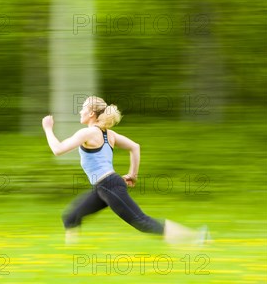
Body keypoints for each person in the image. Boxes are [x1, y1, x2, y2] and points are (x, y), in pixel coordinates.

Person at [42, 96, 208, 244]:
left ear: (92, 113)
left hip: (108, 185)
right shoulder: (109, 134)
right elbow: (134, 147)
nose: (80, 111)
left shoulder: (88, 133)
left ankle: (195, 237)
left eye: (83, 108)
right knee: (71, 217)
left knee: (142, 222)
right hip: (104, 187)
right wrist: (132, 175)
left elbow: (58, 149)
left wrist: (48, 128)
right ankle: (70, 256)